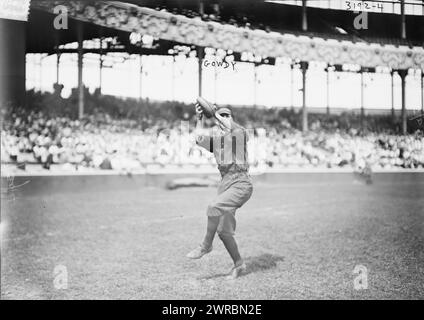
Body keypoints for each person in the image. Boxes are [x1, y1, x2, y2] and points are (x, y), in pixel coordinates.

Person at [186, 103, 253, 279]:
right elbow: (198, 138)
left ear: (231, 119)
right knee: (224, 231)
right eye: (221, 116)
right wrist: (200, 118)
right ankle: (239, 265)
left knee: (213, 207)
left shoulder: (239, 133)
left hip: (240, 183)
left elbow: (234, 128)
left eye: (227, 116)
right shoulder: (217, 141)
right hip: (225, 185)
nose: (223, 119)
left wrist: (215, 113)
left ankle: (205, 246)